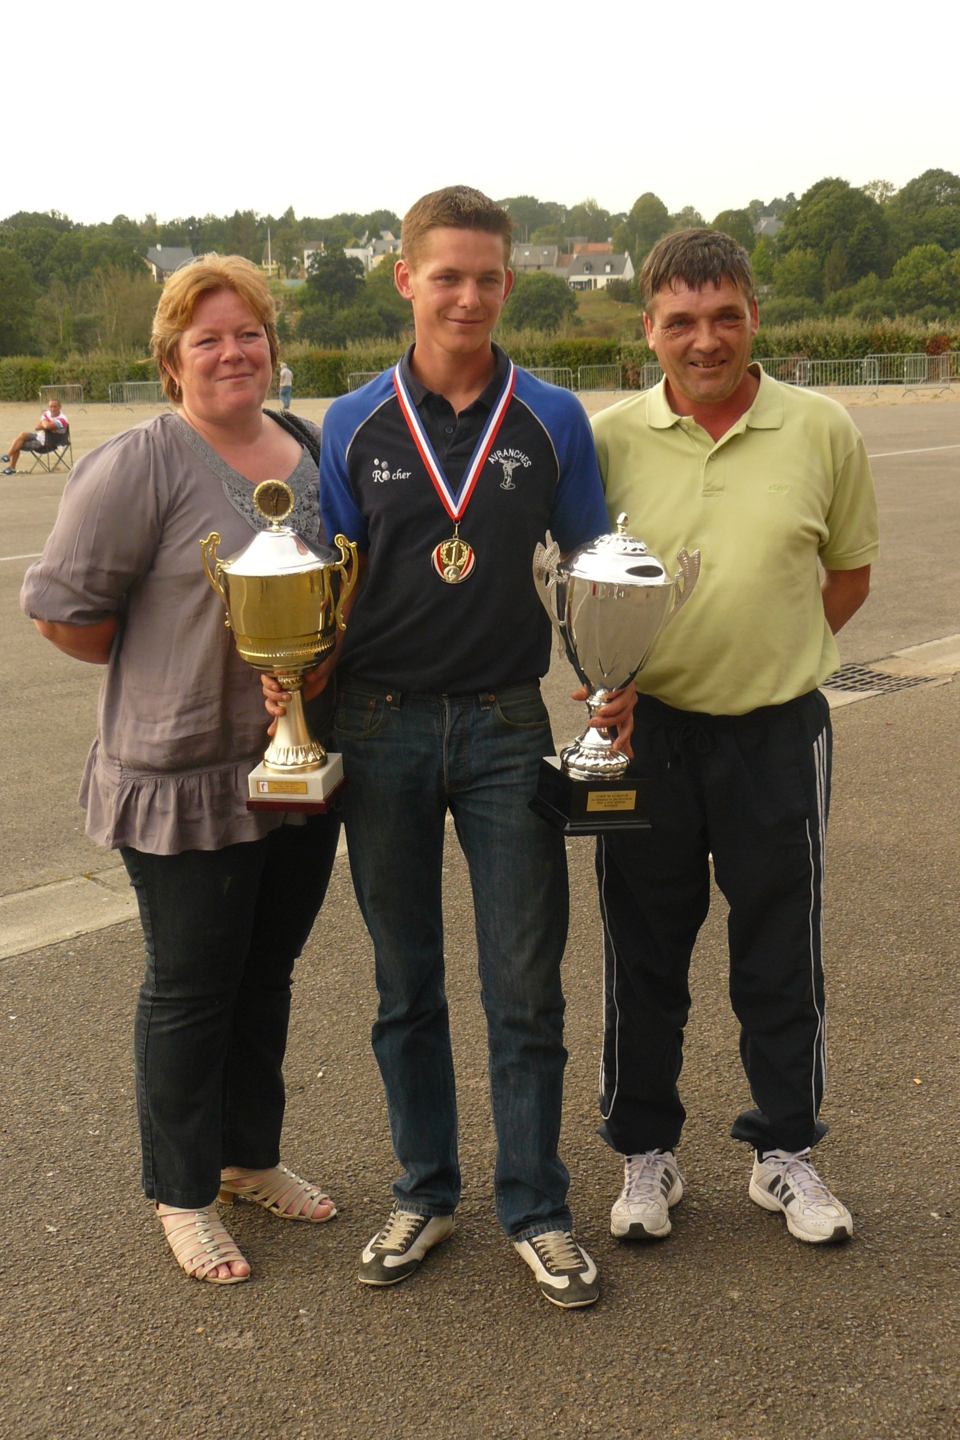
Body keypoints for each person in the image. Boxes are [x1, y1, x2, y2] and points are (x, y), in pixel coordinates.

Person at [265, 186, 631, 1308]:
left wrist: (611, 680)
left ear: (508, 283)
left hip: (506, 722)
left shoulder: (553, 417)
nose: (467, 296)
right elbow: (327, 577)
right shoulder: (353, 419)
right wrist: (292, 671)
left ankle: (538, 1209)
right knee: (404, 982)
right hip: (377, 725)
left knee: (523, 985)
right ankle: (423, 1191)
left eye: (486, 278)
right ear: (406, 279)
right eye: (446, 276)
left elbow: (596, 567)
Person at [21, 254, 340, 1286]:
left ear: (273, 346)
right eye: (208, 338)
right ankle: (183, 1191)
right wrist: (171, 668)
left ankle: (248, 1158)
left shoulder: (311, 447)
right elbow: (62, 613)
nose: (233, 352)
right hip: (181, 777)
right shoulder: (138, 464)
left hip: (294, 771)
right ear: (171, 360)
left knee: (266, 974)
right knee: (192, 986)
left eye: (249, 333)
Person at [589, 228, 879, 1248]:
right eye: (681, 321)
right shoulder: (610, 439)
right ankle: (645, 1152)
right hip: (649, 738)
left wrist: (770, 653)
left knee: (779, 952)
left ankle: (784, 1150)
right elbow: (582, 590)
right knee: (642, 953)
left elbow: (848, 574)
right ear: (648, 330)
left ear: (754, 316)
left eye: (724, 317)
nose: (704, 340)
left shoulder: (822, 428)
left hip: (777, 734)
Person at [2, 397, 69, 473]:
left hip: (48, 443)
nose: (52, 409)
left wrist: (44, 423)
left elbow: (47, 426)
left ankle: (11, 469)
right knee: (22, 435)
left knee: (17, 444)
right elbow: (37, 427)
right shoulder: (47, 413)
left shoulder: (62, 419)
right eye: (51, 407)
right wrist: (47, 425)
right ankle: (7, 456)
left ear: (60, 407)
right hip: (40, 436)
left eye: (55, 407)